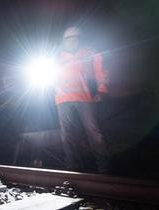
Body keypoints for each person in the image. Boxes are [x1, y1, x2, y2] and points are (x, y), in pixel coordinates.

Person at [56, 26, 110, 173]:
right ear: (64, 40)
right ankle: (73, 166)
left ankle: (104, 166)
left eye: (75, 37)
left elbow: (101, 72)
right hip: (63, 99)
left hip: (85, 98)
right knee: (68, 134)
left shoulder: (90, 53)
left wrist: (102, 89)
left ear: (80, 39)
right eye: (68, 38)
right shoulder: (58, 56)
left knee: (93, 131)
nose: (72, 41)